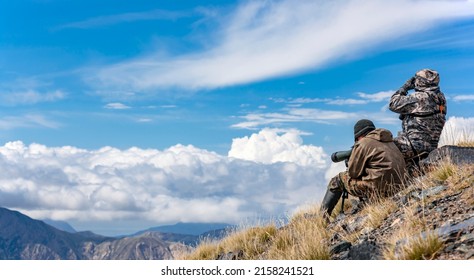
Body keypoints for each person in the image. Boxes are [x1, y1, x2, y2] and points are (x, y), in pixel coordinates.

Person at [320, 119, 406, 220]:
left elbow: (353, 174)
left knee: (337, 180)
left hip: (379, 190)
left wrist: (350, 162)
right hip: (400, 186)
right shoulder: (389, 141)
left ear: (359, 135)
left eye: (357, 139)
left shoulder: (363, 143)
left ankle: (321, 218)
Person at [389, 69, 447, 164]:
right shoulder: (441, 99)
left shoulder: (420, 97)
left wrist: (405, 87)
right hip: (431, 148)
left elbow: (393, 104)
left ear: (421, 81)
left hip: (412, 147)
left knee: (379, 144)